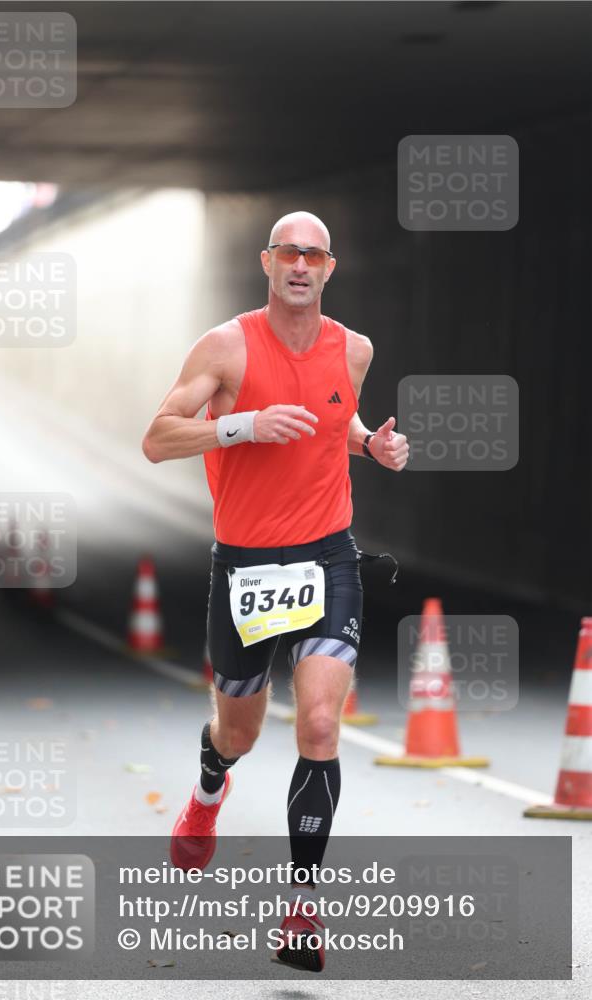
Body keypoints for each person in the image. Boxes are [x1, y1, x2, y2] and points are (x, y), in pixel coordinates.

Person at [142, 211, 409, 972]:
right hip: (248, 567)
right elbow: (159, 437)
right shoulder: (225, 346)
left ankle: (300, 910)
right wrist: (241, 426)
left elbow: (335, 417)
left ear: (329, 267)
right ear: (266, 262)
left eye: (313, 254)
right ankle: (208, 783)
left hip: (328, 556)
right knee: (242, 734)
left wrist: (370, 444)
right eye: (287, 252)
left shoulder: (352, 349)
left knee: (320, 726)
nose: (299, 264)